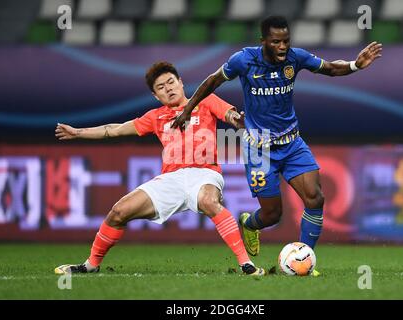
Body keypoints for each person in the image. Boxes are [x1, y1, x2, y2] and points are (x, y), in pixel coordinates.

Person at [172, 16, 383, 276]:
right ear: (263, 42)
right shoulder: (244, 60)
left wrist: (355, 65)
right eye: (276, 42)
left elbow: (330, 68)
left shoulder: (297, 58)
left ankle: (304, 259)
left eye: (286, 41)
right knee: (273, 215)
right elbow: (212, 81)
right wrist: (187, 109)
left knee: (315, 198)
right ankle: (250, 223)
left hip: (292, 143)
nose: (282, 47)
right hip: (259, 149)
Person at [54, 61, 265, 276]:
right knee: (119, 212)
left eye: (171, 82)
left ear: (181, 83)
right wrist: (78, 133)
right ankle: (91, 264)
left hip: (205, 173)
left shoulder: (206, 100)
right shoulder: (155, 117)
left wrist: (237, 120)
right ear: (156, 96)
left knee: (208, 200)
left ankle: (245, 264)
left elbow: (230, 115)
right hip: (171, 179)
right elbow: (114, 130)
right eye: (161, 87)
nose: (168, 88)